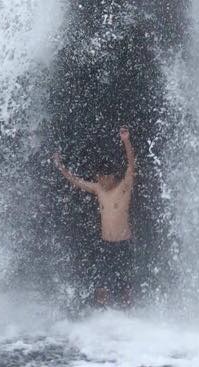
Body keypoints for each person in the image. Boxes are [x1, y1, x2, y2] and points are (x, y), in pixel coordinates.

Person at [53, 126, 135, 307]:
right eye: (99, 178)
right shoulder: (98, 189)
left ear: (113, 177)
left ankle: (129, 320)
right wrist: (60, 167)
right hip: (105, 244)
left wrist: (126, 141)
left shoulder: (123, 187)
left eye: (105, 178)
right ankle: (101, 322)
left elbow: (131, 164)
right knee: (101, 286)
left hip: (123, 244)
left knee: (124, 286)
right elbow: (76, 181)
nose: (102, 181)